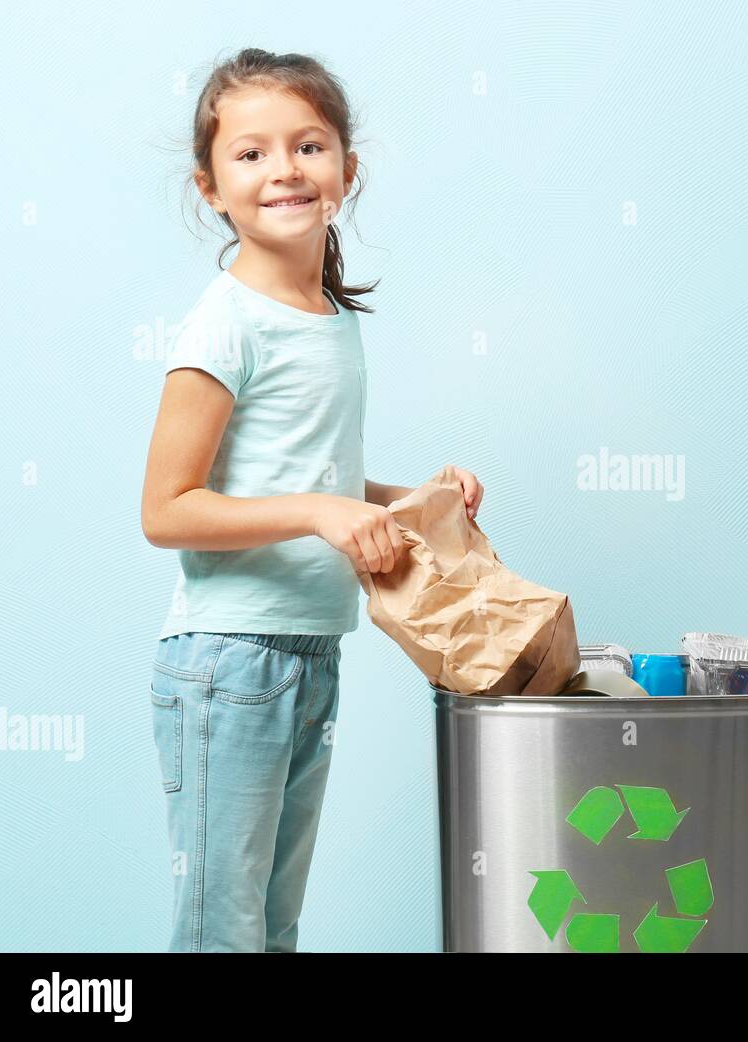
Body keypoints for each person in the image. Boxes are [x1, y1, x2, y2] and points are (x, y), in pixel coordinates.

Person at [140, 48, 482, 952]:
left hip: (308, 654)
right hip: (229, 663)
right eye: (249, 154)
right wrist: (323, 514)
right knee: (224, 928)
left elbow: (311, 476)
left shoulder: (328, 315)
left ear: (346, 171)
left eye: (308, 145)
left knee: (272, 924)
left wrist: (415, 500)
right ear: (210, 187)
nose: (284, 169)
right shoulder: (224, 322)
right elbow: (168, 509)